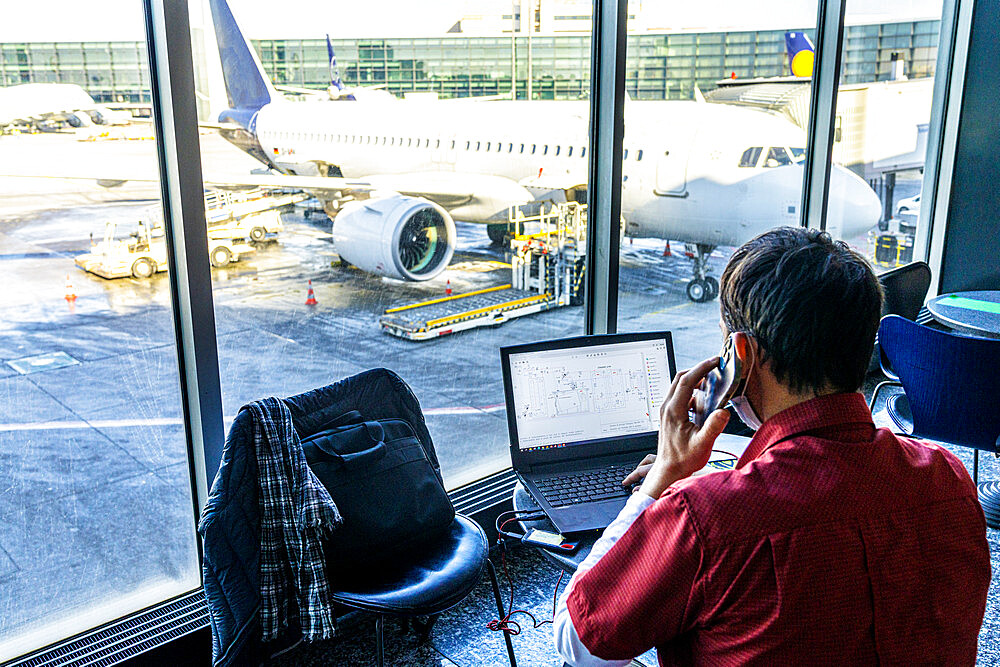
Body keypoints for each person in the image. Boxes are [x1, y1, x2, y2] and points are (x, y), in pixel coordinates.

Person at [553, 227, 991, 666]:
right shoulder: (948, 478)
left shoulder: (704, 517)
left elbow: (580, 643)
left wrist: (663, 480)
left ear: (739, 354)